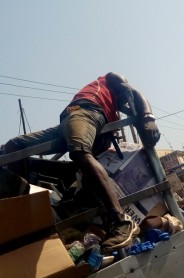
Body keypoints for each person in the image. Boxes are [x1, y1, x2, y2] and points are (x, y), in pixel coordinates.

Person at [1, 72, 160, 253]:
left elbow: (135, 93)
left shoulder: (111, 87)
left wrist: (147, 117)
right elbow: (132, 95)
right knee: (13, 147)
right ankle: (26, 202)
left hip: (86, 111)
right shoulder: (109, 79)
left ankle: (121, 221)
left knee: (79, 152)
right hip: (68, 119)